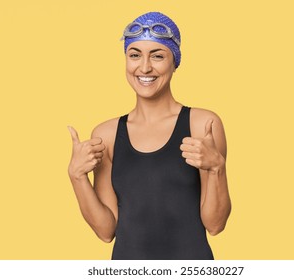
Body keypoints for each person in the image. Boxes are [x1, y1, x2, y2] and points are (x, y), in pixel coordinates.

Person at [67, 12, 231, 260]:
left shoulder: (203, 125)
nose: (144, 67)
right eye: (135, 55)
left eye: (157, 56)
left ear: (174, 62)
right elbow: (105, 230)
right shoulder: (106, 134)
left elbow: (215, 225)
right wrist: (77, 177)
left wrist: (217, 167)